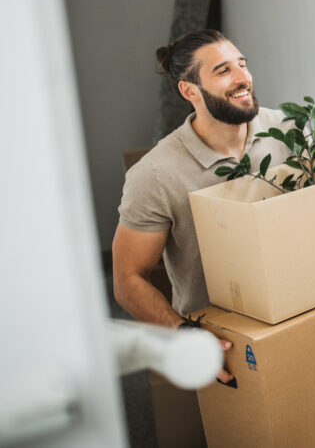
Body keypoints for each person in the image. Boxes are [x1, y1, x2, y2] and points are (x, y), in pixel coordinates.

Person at [112, 29, 289, 383]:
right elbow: (127, 278)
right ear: (189, 90)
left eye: (242, 64)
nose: (243, 78)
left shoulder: (287, 129)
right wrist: (186, 335)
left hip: (293, 308)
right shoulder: (156, 174)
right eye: (223, 71)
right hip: (223, 339)